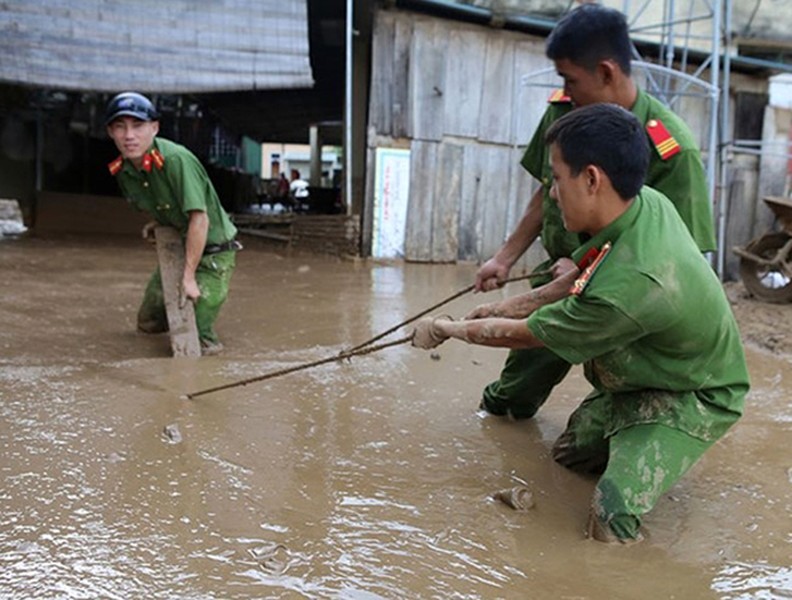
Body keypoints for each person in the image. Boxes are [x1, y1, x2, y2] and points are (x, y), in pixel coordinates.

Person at [412, 103, 749, 544]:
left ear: (591, 179)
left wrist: (447, 328)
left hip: (693, 393)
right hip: (640, 377)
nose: (551, 193)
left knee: (611, 514)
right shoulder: (643, 205)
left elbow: (531, 336)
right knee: (568, 458)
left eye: (557, 177)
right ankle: (635, 438)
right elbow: (577, 279)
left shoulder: (630, 288)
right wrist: (500, 307)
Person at [474, 4, 717, 420]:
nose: (565, 92)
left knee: (602, 419)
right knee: (510, 398)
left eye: (571, 80)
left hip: (622, 298)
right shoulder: (566, 112)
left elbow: (681, 262)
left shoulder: (671, 149)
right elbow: (546, 191)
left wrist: (587, 271)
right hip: (557, 276)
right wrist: (504, 258)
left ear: (606, 73)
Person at [105, 91, 241, 355]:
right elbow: (159, 203)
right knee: (149, 322)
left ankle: (204, 365)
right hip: (178, 247)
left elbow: (199, 220)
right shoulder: (123, 170)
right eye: (120, 127)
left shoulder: (176, 160)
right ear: (111, 132)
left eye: (138, 126)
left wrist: (188, 277)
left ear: (154, 128)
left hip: (213, 254)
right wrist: (157, 224)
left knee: (196, 335)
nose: (129, 136)